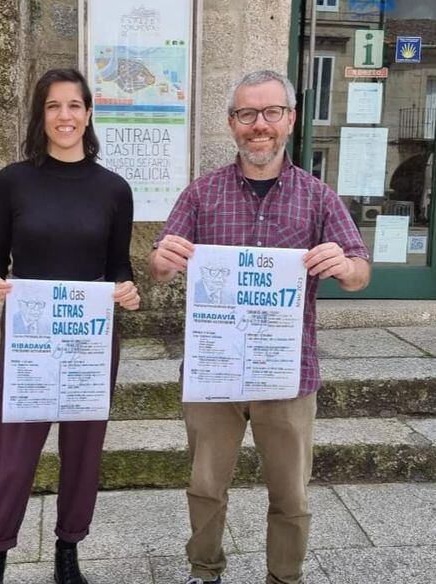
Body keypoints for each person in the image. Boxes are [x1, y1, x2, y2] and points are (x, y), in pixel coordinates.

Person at [149, 69, 370, 584]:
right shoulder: (201, 195)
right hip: (214, 372)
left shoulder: (319, 197)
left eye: (271, 112)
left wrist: (344, 264)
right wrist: (163, 258)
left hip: (288, 372)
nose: (259, 125)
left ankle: (284, 578)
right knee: (205, 484)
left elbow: (360, 272)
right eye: (247, 114)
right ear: (232, 124)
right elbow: (160, 269)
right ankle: (204, 572)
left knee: (291, 493)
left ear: (290, 120)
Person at [0, 68, 140, 584]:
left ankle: (68, 550)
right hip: (30, 333)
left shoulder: (114, 189)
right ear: (40, 115)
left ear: (89, 113)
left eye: (74, 105)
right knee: (13, 449)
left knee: (84, 448)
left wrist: (127, 289)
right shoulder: (13, 181)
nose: (64, 116)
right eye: (53, 106)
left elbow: (119, 265)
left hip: (90, 336)